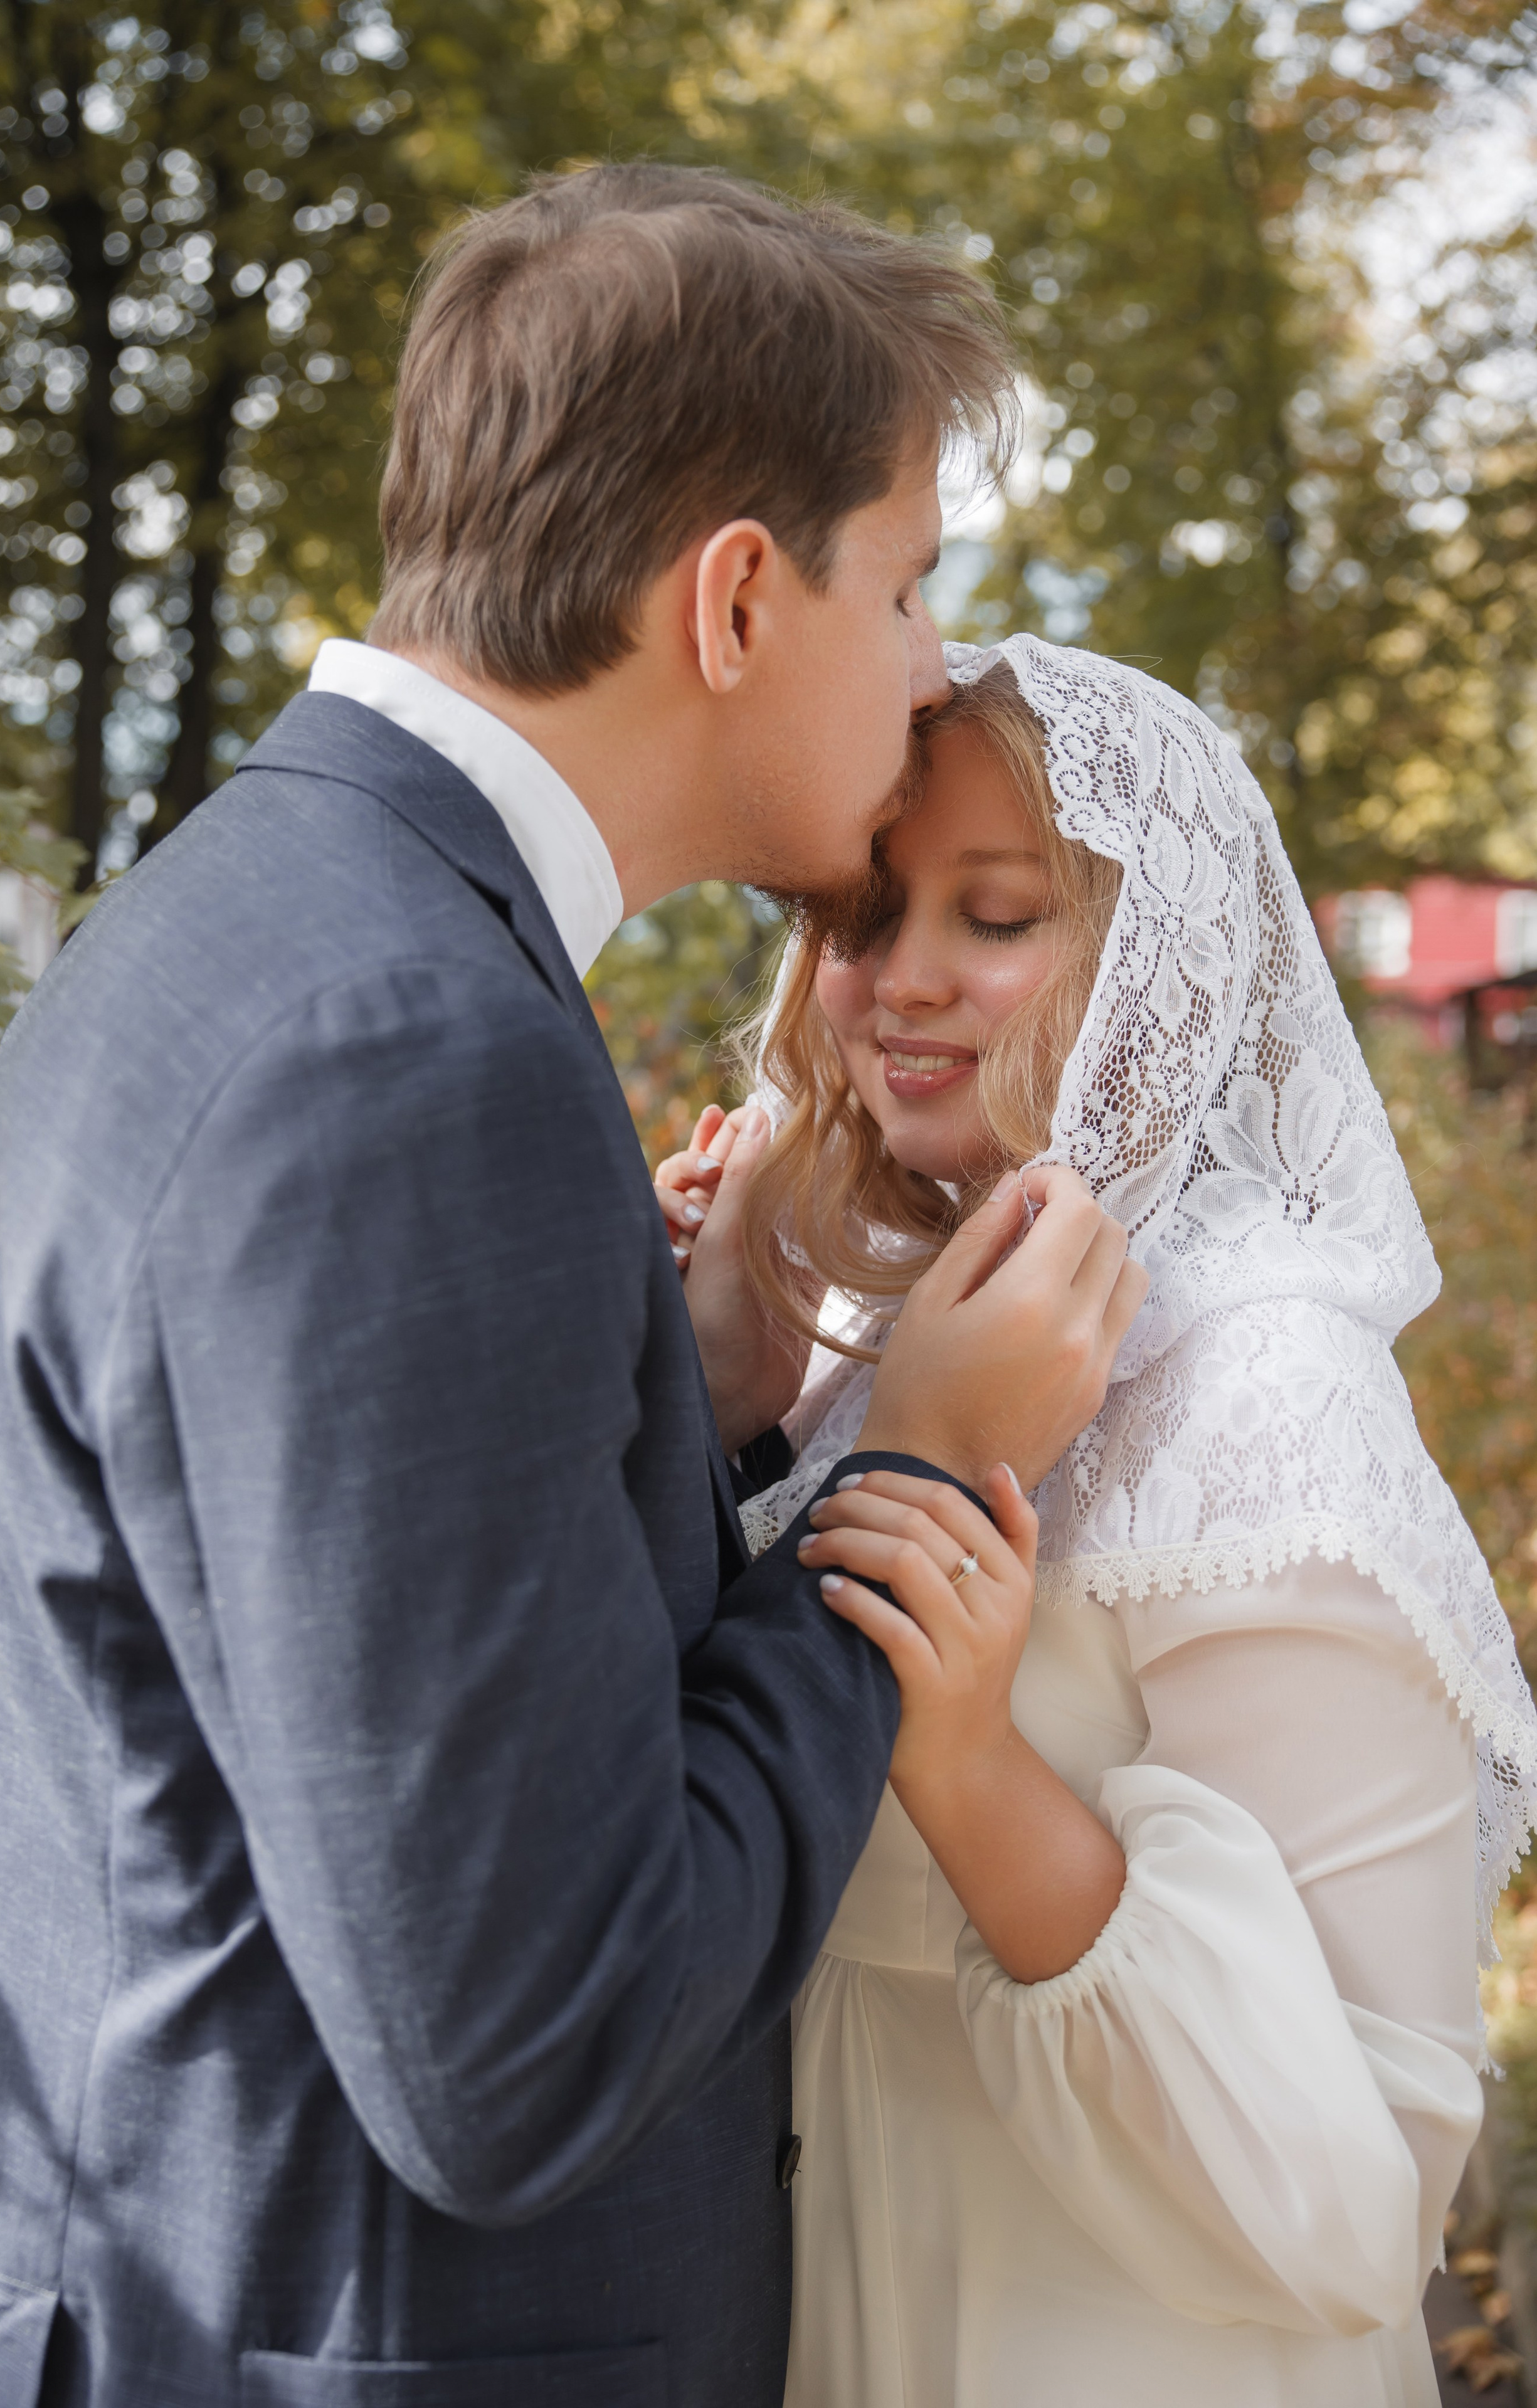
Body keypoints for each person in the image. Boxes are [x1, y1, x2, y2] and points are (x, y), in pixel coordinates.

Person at [0, 169, 1146, 2408]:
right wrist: (919, 1468)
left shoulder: (270, 910)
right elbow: (525, 2039)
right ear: (738, 601)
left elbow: (334, 1637)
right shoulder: (406, 1046)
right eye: (906, 591)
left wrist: (705, 1403)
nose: (928, 672)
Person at [658, 636, 1537, 2407]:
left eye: (995, 918)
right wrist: (713, 1401)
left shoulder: (1267, 1405)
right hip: (837, 2317)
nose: (897, 982)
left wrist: (975, 1767)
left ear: (1165, 963)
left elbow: (1352, 2205)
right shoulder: (869, 1359)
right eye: (858, 913)